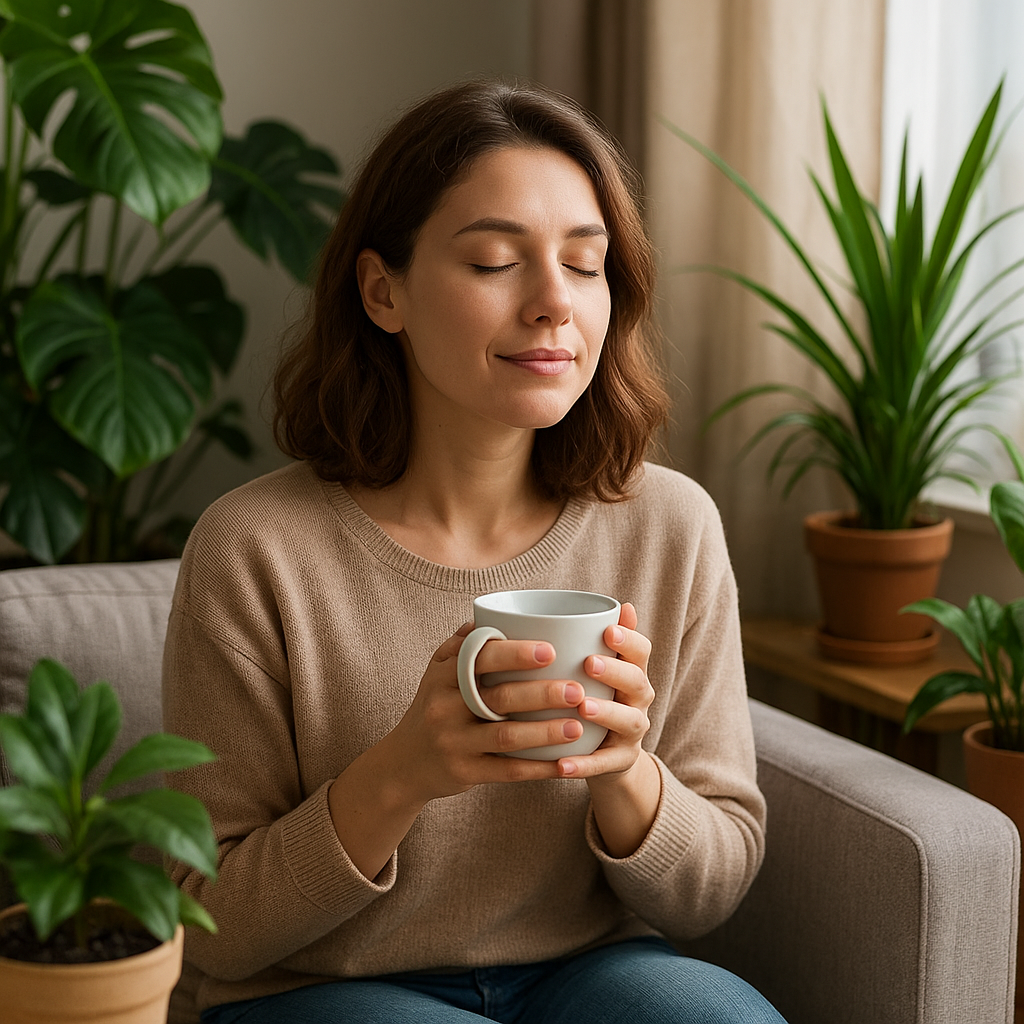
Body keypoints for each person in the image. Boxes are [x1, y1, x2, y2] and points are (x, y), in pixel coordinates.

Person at [163, 78, 788, 1024]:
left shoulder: (671, 525)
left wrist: (624, 768)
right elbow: (204, 921)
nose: (553, 305)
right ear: (384, 291)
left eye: (585, 264)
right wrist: (406, 771)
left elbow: (711, 890)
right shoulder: (255, 548)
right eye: (497, 261)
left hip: (588, 975)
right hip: (325, 991)